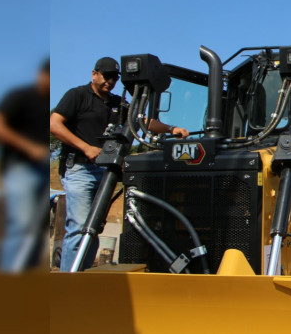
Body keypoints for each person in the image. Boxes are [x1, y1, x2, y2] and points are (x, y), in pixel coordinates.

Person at [50, 57, 188, 271]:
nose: (110, 82)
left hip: (103, 170)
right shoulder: (77, 96)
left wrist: (172, 129)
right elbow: (54, 124)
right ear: (94, 74)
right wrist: (86, 148)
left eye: (115, 78)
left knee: (93, 227)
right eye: (106, 76)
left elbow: (141, 121)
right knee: (79, 228)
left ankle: (82, 276)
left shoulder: (116, 103)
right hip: (79, 168)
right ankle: (68, 281)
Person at [0, 58, 50, 271]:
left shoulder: (47, 103)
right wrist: (28, 147)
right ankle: (9, 281)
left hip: (42, 169)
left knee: (36, 230)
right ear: (42, 75)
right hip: (20, 168)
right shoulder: (22, 96)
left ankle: (24, 280)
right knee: (21, 225)